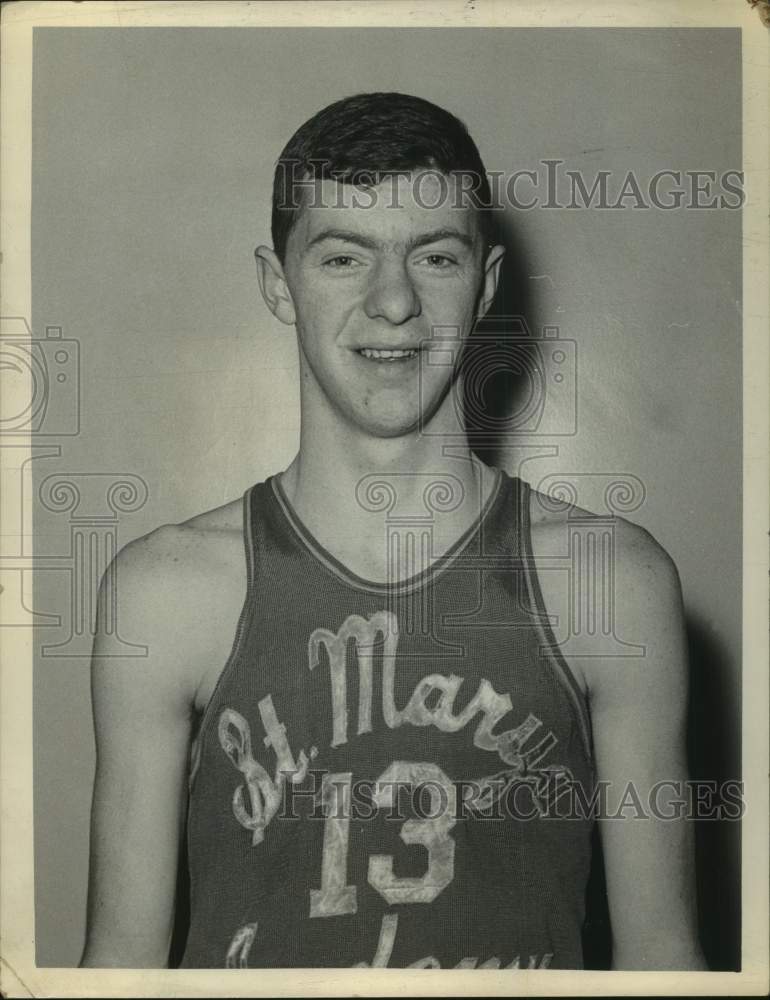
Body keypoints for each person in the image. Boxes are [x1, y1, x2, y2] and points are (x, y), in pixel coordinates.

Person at [80, 92, 707, 970]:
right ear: (276, 282)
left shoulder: (611, 583)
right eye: (343, 257)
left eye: (436, 257)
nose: (394, 303)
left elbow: (665, 964)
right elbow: (117, 971)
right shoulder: (162, 595)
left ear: (484, 284)